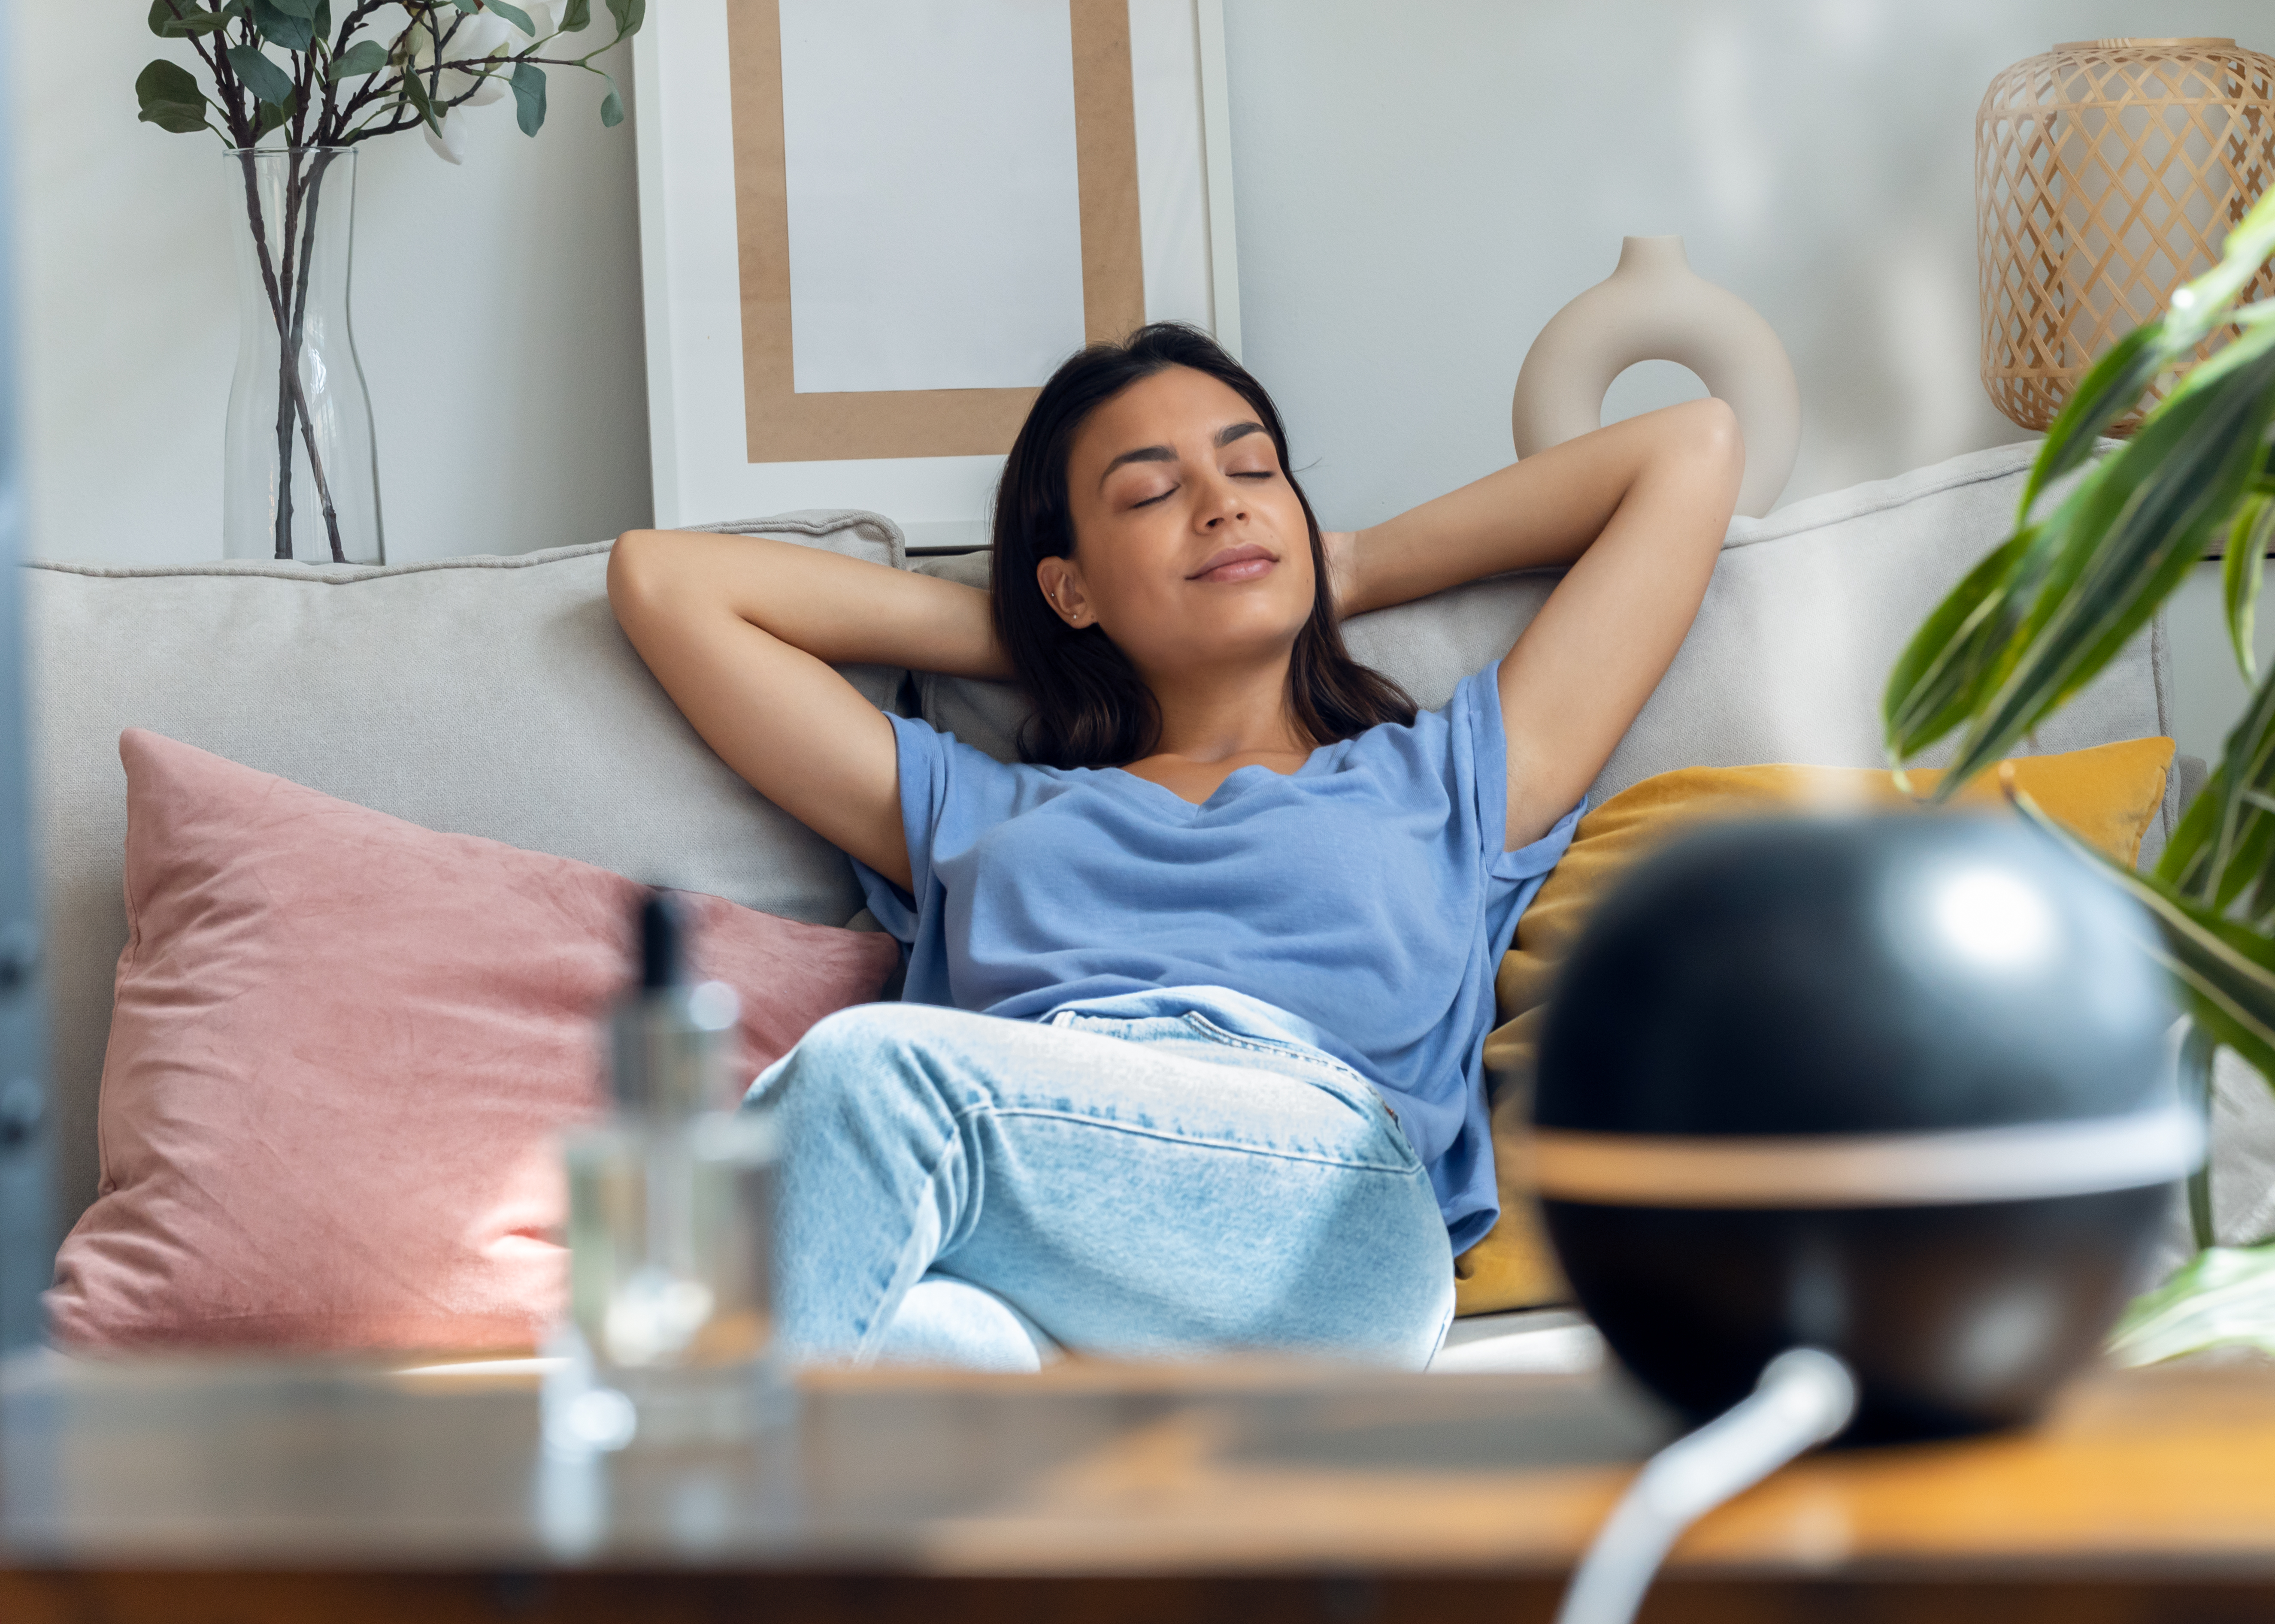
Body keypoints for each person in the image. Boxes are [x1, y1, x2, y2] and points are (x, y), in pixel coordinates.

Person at [606, 324, 1739, 1371]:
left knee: (862, 1077)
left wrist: (1350, 569)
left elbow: (1690, 447)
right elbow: (664, 581)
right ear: (1071, 581)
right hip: (1030, 1222)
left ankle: (651, 1565)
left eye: (1254, 474)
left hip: (1324, 1210)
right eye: (1152, 493)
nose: (1221, 504)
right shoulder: (983, 808)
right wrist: (1049, 633)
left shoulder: (1444, 779)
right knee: (914, 1345)